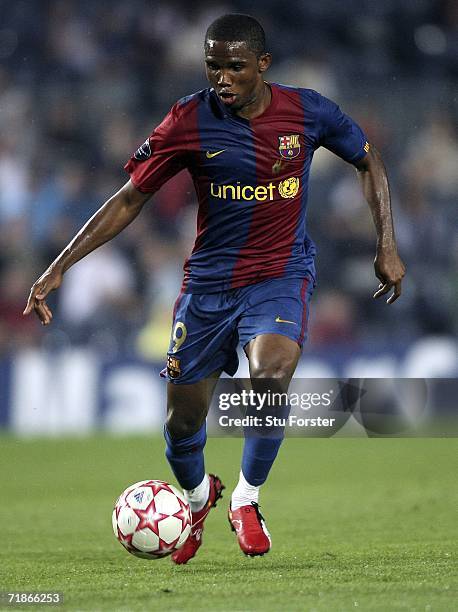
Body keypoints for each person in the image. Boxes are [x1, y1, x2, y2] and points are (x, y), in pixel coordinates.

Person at [24, 14, 405, 563]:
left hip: (280, 274)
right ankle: (200, 499)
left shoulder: (308, 111)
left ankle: (247, 500)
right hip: (207, 289)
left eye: (234, 67)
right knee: (182, 423)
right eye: (212, 66)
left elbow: (369, 161)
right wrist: (61, 265)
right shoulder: (187, 119)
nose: (221, 78)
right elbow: (131, 197)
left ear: (262, 66)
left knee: (270, 376)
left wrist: (386, 244)